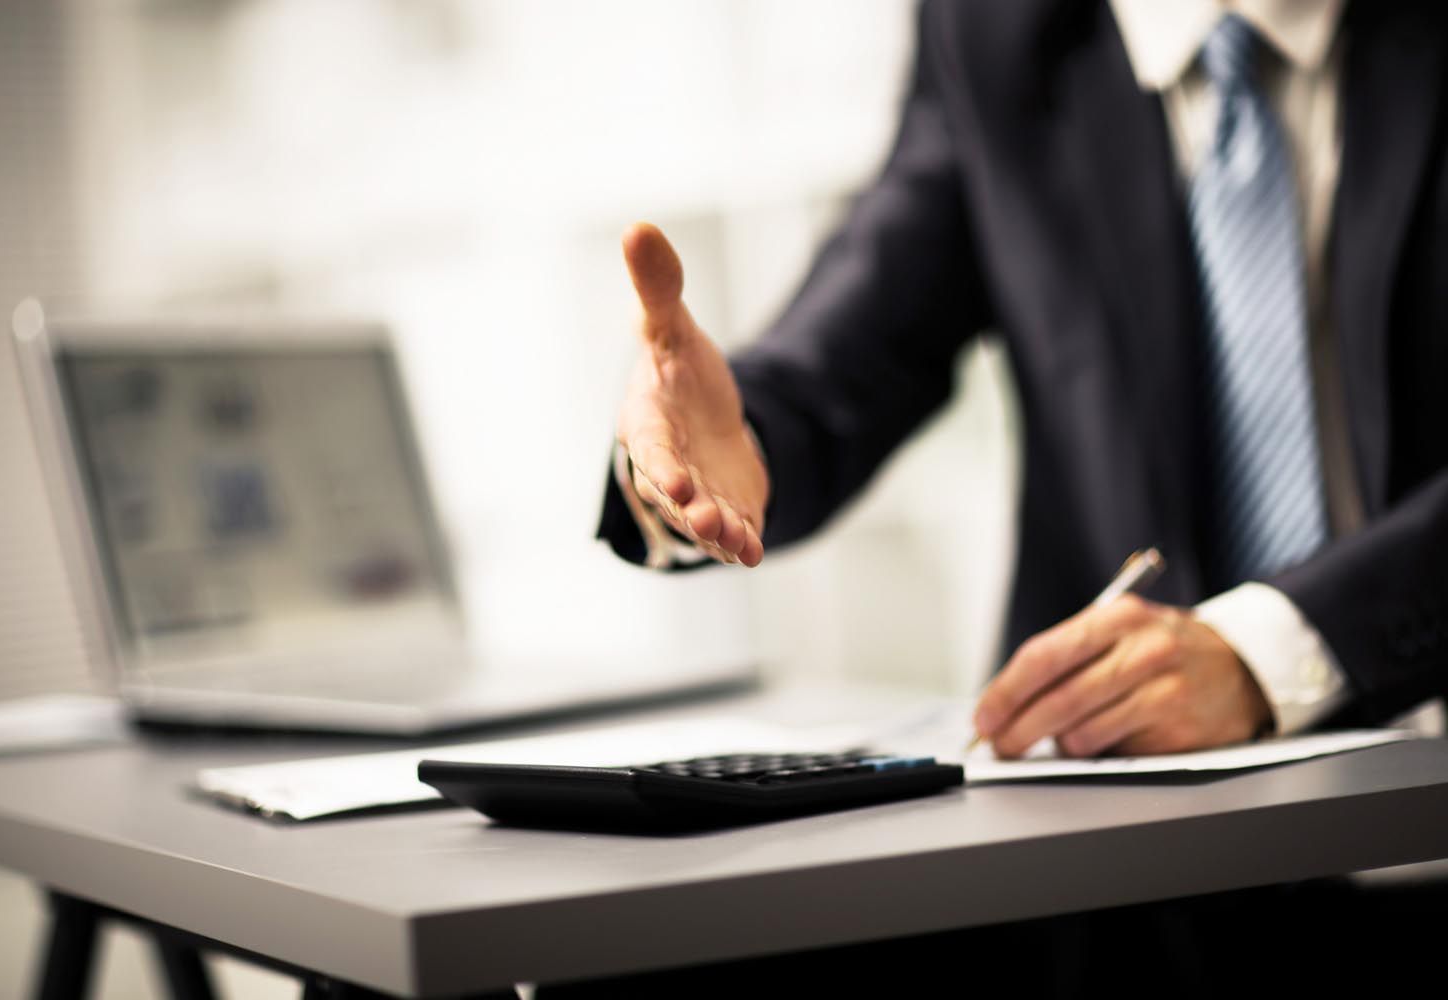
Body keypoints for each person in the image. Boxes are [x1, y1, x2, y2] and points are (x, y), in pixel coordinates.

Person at [596, 0, 1448, 761]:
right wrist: (727, 445)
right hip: (1126, 856)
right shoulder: (994, 23)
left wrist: (1271, 649)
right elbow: (865, 332)